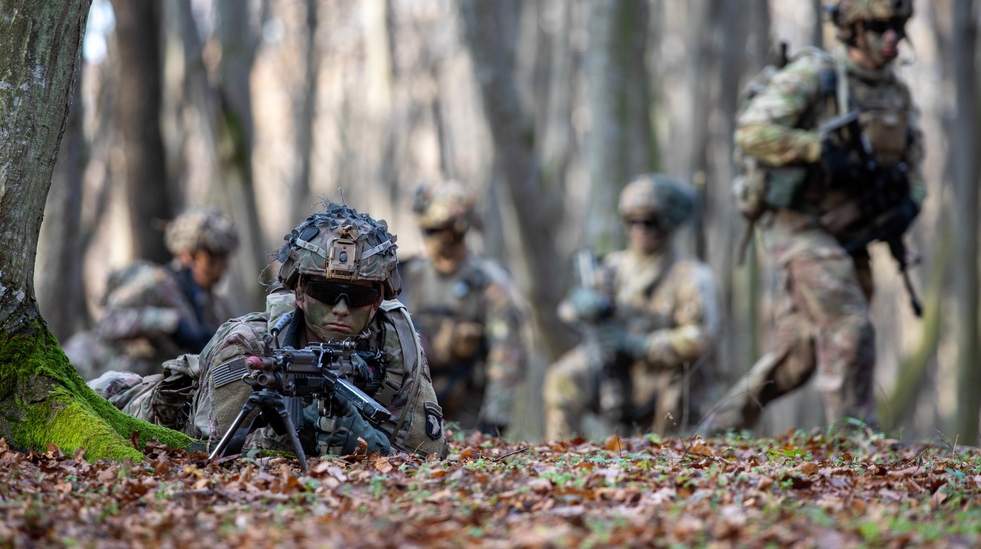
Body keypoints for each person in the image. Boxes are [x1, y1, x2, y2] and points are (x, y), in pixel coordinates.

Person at [704, 0, 926, 434]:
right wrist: (816, 149)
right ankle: (853, 444)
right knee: (849, 323)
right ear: (853, 28)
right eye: (880, 26)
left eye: (899, 27)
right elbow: (752, 130)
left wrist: (907, 206)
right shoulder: (816, 75)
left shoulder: (897, 94)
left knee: (799, 355)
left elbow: (915, 168)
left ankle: (713, 432)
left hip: (852, 230)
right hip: (797, 221)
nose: (892, 38)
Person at [91, 201, 447, 459]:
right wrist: (307, 427)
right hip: (139, 407)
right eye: (324, 292)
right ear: (300, 293)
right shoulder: (249, 343)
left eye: (358, 296)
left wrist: (361, 436)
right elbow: (217, 449)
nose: (340, 308)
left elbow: (427, 455)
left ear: (377, 301)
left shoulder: (398, 348)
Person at [543, 174, 720, 439]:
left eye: (649, 222)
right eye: (632, 221)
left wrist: (638, 345)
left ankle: (668, 463)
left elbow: (699, 338)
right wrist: (580, 304)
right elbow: (567, 311)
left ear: (667, 223)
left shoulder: (691, 276)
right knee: (562, 377)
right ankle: (560, 462)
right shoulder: (613, 267)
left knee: (674, 398)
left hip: (664, 379)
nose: (640, 229)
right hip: (615, 374)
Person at [398, 181, 526, 436]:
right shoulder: (408, 275)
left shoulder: (488, 282)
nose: (431, 238)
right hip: (408, 407)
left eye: (436, 230)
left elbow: (507, 352)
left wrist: (494, 420)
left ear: (457, 230)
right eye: (427, 230)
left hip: (467, 413)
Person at [64, 206, 240, 379]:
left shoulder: (216, 304)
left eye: (225, 256)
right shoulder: (154, 283)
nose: (224, 264)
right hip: (98, 373)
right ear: (189, 255)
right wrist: (169, 322)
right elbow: (108, 322)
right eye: (213, 256)